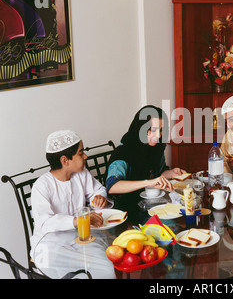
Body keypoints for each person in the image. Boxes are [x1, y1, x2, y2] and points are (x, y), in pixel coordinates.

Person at [30, 130, 109, 259]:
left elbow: (98, 190)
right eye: (81, 153)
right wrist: (76, 221)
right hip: (50, 246)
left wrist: (99, 197)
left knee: (109, 262)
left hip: (79, 238)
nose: (85, 156)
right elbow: (44, 223)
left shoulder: (81, 174)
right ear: (65, 160)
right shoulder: (42, 185)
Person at [105, 105, 186, 218]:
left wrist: (171, 173)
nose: (158, 135)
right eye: (153, 130)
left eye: (161, 130)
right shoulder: (123, 153)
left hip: (150, 205)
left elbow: (158, 174)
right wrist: (148, 182)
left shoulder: (155, 148)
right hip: (125, 211)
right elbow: (112, 187)